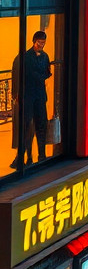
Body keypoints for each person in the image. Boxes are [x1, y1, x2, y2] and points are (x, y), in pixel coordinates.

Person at [11, 30, 51, 167]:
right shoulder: (26, 57)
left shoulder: (45, 56)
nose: (41, 45)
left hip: (39, 94)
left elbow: (47, 72)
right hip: (27, 95)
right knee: (26, 126)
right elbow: (24, 74)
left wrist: (43, 76)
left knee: (41, 125)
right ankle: (25, 156)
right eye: (40, 42)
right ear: (34, 41)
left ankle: (42, 154)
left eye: (43, 43)